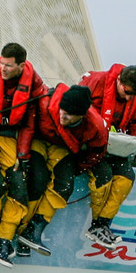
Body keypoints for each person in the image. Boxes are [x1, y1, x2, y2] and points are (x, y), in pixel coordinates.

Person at [0, 42, 48, 265]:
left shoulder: (33, 82)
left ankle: (4, 241)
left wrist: (23, 154)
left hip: (10, 140)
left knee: (18, 187)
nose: (3, 69)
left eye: (8, 65)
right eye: (2, 64)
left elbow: (29, 123)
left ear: (21, 66)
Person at [18, 83, 109, 253]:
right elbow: (25, 125)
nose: (62, 117)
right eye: (62, 111)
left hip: (62, 148)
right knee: (37, 180)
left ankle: (34, 229)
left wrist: (77, 168)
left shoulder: (95, 126)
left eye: (68, 116)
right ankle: (19, 227)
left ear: (81, 116)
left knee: (65, 185)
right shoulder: (45, 101)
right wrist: (22, 153)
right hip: (36, 140)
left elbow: (97, 152)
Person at [79, 63, 136, 244]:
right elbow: (74, 108)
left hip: (114, 148)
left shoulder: (134, 97)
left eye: (132, 95)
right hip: (89, 145)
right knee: (104, 177)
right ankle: (96, 223)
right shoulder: (95, 81)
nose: (128, 97)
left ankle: (101, 224)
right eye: (125, 92)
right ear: (118, 80)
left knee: (127, 178)